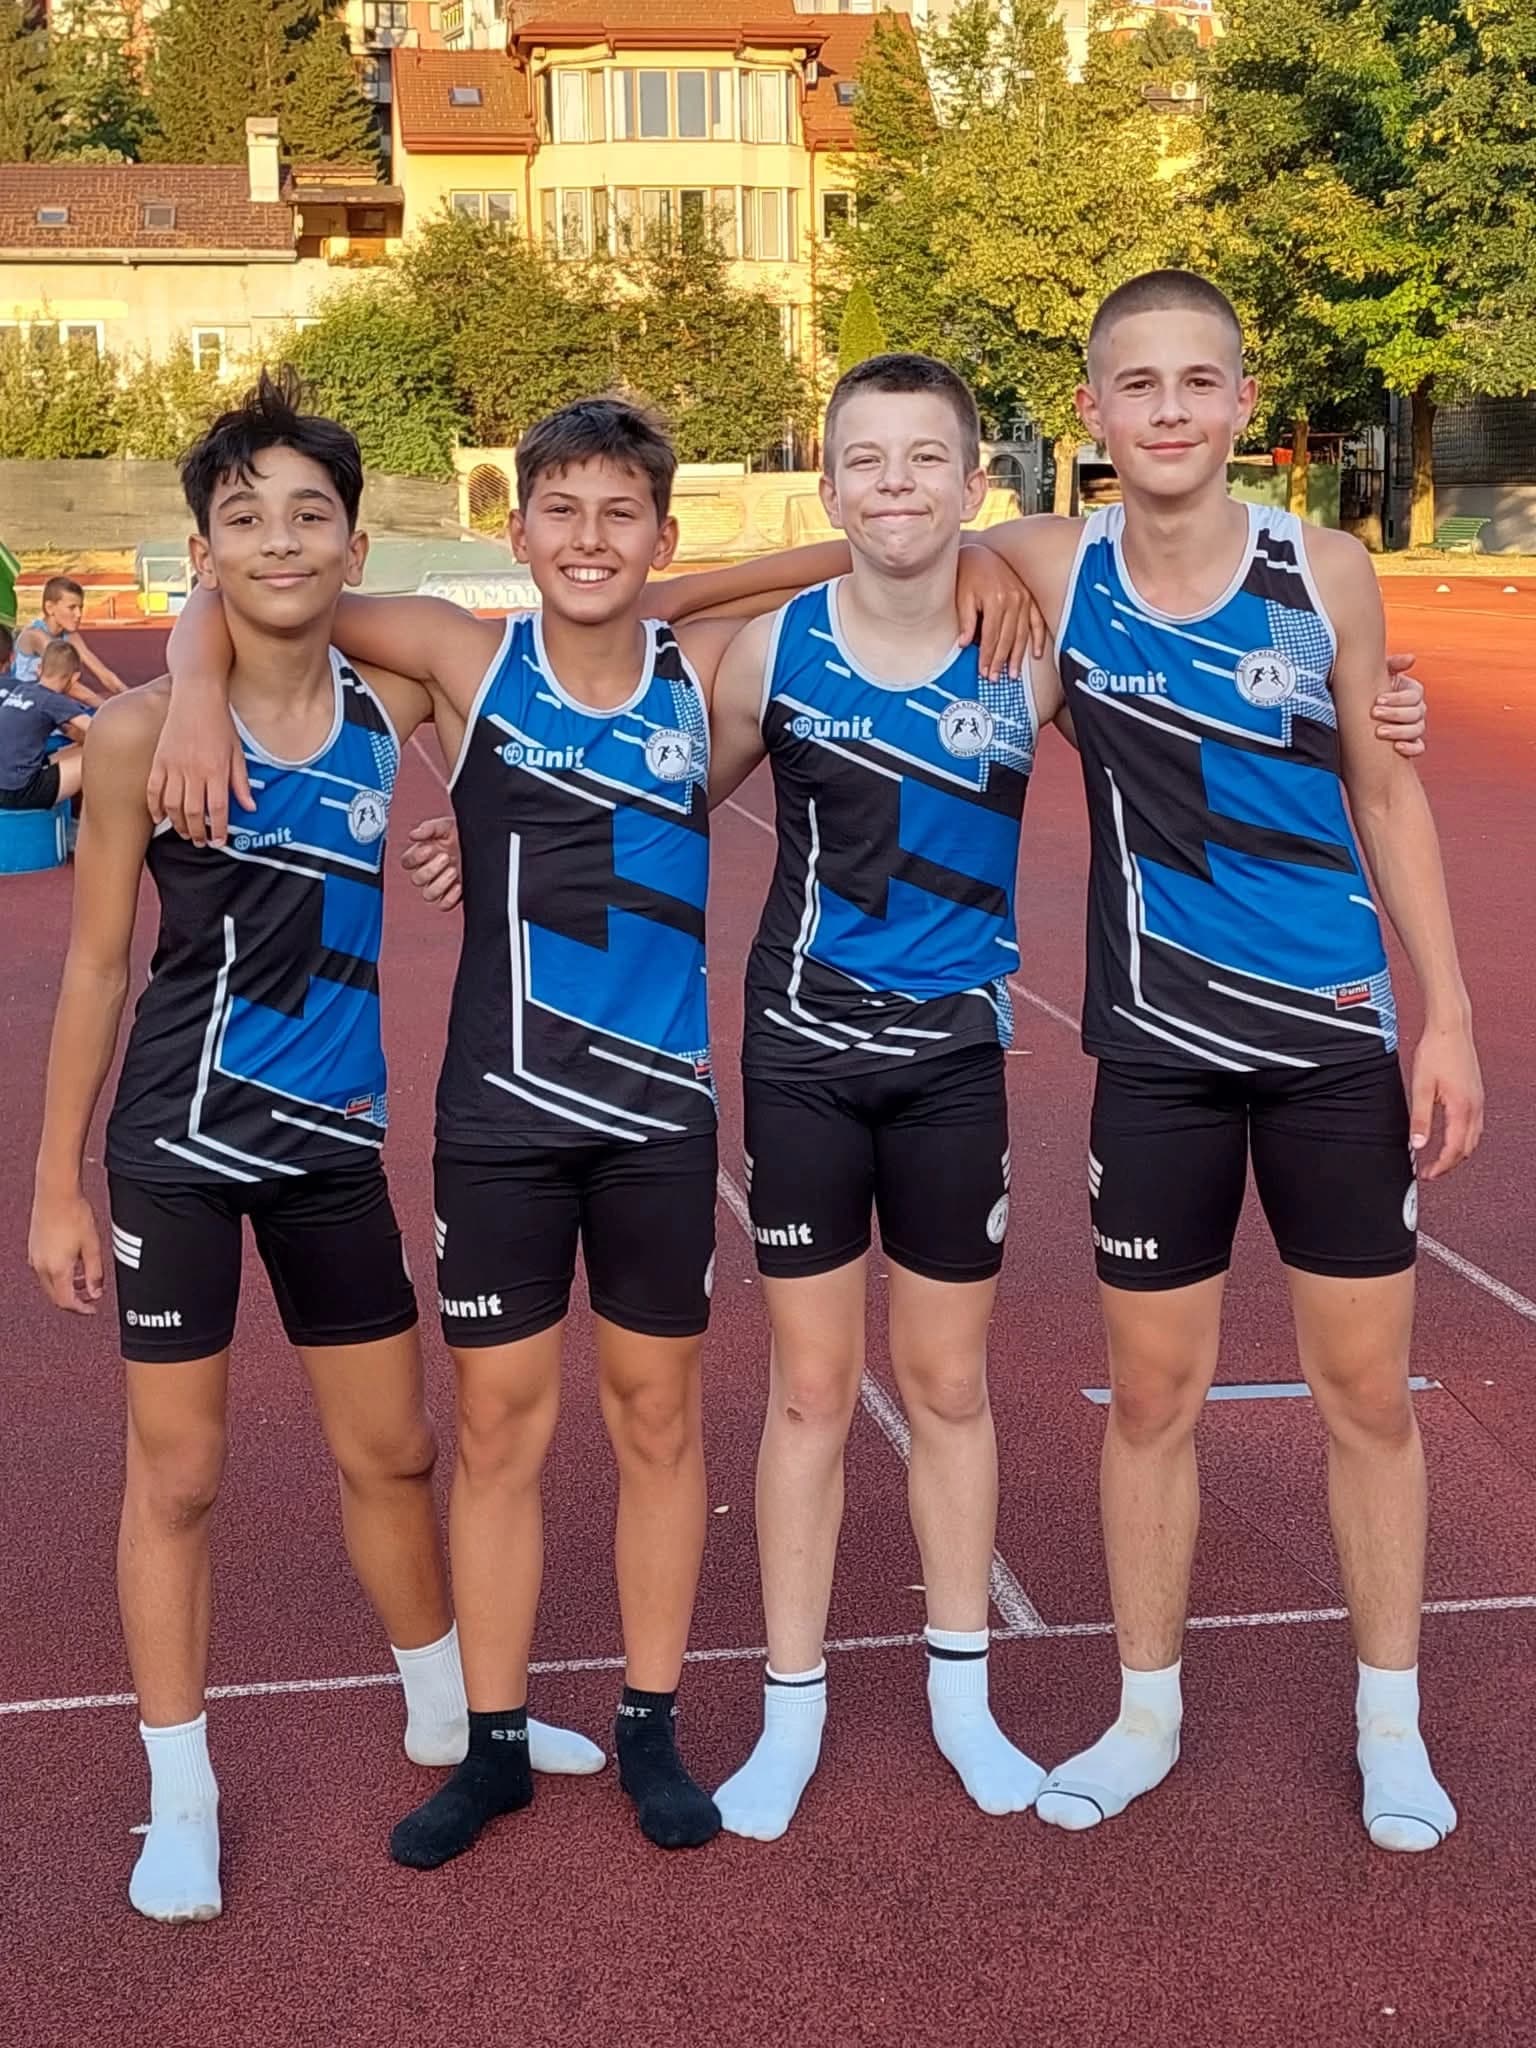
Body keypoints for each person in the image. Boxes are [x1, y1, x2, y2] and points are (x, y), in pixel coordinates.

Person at [398, 362, 1432, 1847]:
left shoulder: (1035, 650)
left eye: (926, 460)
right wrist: (484, 829)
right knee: (811, 1391)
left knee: (948, 1386)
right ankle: (792, 1709)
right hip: (803, 1059)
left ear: (975, 484)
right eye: (866, 462)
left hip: (954, 1067)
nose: (896, 484)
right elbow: (642, 792)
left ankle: (965, 1701)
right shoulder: (769, 654)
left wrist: (1375, 704)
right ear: (830, 487)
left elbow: (1200, 724)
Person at [146, 392, 1041, 1868]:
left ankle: (650, 1724)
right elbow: (263, 587)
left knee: (657, 1421)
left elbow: (842, 567)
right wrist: (190, 680)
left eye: (621, 514)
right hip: (499, 1119)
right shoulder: (462, 658)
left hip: (656, 1123)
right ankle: (492, 1741)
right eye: (559, 511)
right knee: (499, 1429)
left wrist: (990, 554)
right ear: (515, 531)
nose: (589, 538)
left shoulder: (707, 674)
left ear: (661, 536)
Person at [27, 373, 597, 1928]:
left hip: (335, 1143)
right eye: (244, 518)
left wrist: (474, 833)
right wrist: (56, 1185)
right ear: (204, 547)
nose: (279, 540)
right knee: (179, 1474)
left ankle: (443, 1713)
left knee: (395, 1452)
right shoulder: (138, 736)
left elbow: (557, 705)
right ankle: (181, 1793)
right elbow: (97, 969)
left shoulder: (393, 701)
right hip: (178, 1147)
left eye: (309, 515)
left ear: (354, 541)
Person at [962, 271, 1479, 1851]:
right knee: (1153, 1397)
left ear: (1245, 401)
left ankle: (1390, 1722)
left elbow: (1383, 791)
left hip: (1330, 1041)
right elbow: (877, 549)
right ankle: (1145, 1713)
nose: (1171, 408)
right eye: (1140, 384)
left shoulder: (1324, 569)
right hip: (1159, 1054)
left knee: (1365, 1393)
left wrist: (1448, 1014)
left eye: (1200, 381)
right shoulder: (1050, 564)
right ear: (1092, 412)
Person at [0, 630, 90, 811]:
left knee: (77, 750)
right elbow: (97, 729)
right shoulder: (54, 700)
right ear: (74, 678)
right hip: (19, 791)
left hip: (7, 781)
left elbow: (74, 734)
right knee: (100, 758)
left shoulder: (22, 690)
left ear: (39, 668)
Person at [13, 574, 126, 695]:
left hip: (43, 698)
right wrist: (102, 703)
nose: (78, 614)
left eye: (80, 607)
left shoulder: (70, 636)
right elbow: (66, 684)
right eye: (72, 608)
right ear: (49, 608)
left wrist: (129, 694)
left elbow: (103, 673)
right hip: (21, 698)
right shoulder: (35, 636)